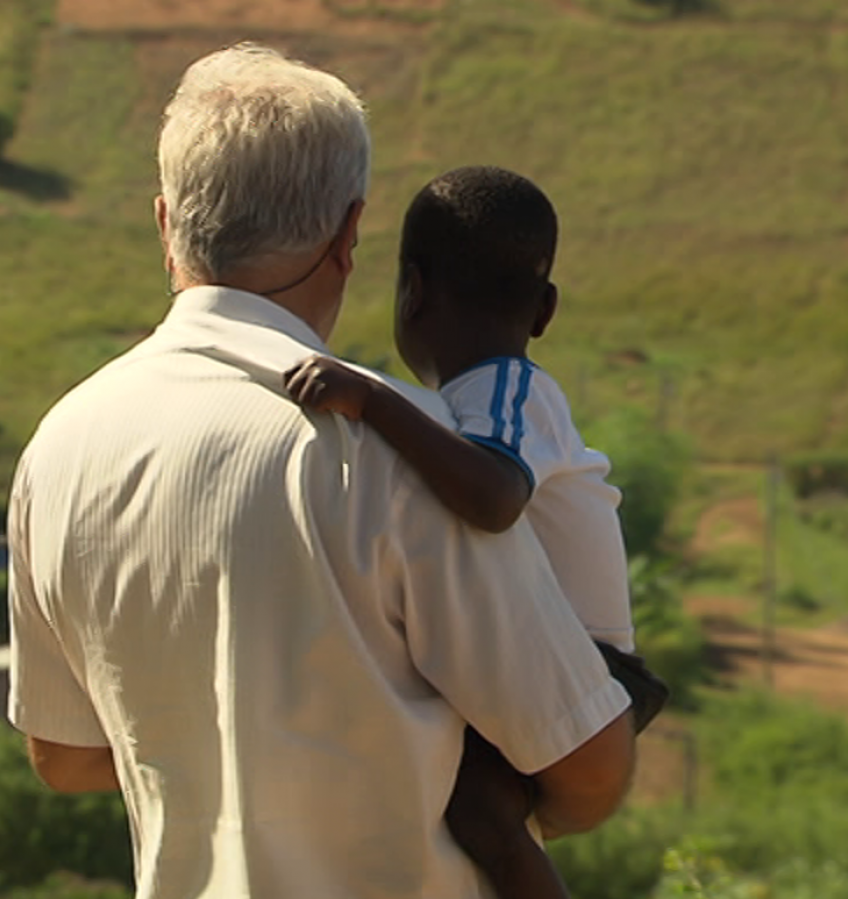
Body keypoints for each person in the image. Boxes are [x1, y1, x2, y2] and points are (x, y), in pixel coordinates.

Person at [7, 44, 636, 899]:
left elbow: (66, 756)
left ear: (165, 222)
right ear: (348, 235)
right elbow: (589, 764)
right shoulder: (393, 445)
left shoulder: (60, 447)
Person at [283, 165, 666, 899]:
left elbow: (493, 497)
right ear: (545, 308)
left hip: (592, 671)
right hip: (550, 658)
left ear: (412, 291)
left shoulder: (511, 389)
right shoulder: (473, 401)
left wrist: (370, 400)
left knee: (477, 811)